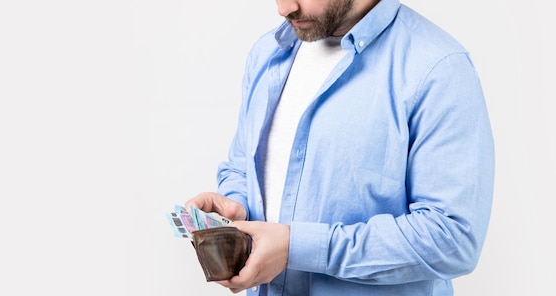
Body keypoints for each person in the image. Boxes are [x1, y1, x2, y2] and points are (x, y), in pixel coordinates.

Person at [185, 0, 495, 295]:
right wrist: (237, 207)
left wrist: (296, 247)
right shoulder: (267, 53)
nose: (284, 8)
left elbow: (453, 239)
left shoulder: (438, 68)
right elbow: (243, 166)